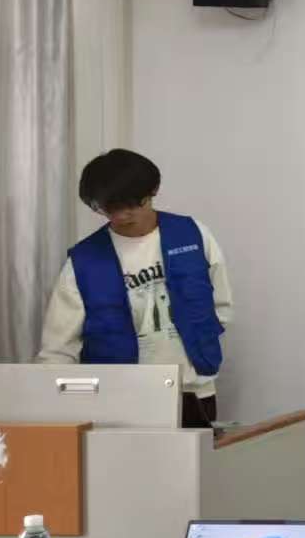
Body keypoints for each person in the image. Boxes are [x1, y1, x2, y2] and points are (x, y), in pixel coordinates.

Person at [37, 149, 232, 428]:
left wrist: (200, 350)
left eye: (132, 204)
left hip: (194, 393)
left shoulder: (193, 234)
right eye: (110, 208)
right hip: (119, 397)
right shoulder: (83, 261)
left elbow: (221, 307)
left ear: (153, 191)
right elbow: (58, 349)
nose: (122, 215)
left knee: (194, 457)